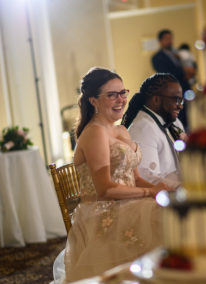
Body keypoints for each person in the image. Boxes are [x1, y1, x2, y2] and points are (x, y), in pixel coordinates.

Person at [65, 67, 171, 282]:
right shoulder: (95, 132)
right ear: (93, 100)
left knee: (171, 209)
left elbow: (136, 179)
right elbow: (105, 189)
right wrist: (150, 192)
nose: (121, 99)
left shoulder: (121, 130)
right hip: (102, 209)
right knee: (164, 221)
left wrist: (160, 191)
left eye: (123, 93)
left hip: (126, 202)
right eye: (112, 95)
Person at [121, 73, 186, 189]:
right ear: (156, 100)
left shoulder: (174, 122)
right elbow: (147, 179)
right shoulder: (143, 128)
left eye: (181, 101)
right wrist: (186, 189)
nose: (180, 106)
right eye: (176, 100)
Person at [151, 29, 191, 129]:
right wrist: (184, 72)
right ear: (160, 41)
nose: (170, 41)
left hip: (186, 88)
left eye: (171, 38)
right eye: (166, 39)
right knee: (181, 120)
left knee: (190, 116)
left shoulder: (176, 54)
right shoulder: (157, 57)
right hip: (173, 93)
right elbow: (166, 73)